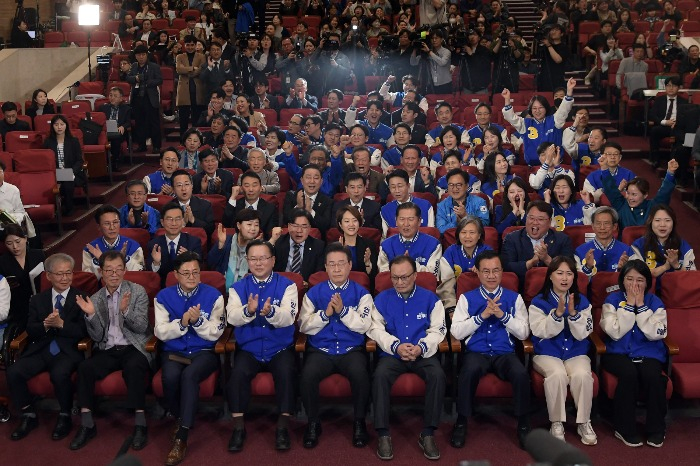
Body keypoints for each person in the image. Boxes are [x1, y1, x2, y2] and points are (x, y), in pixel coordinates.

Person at [70, 251, 153, 451]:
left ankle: (140, 424)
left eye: (118, 270)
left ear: (125, 271)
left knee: (134, 367)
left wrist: (125, 311)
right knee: (84, 368)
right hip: (108, 349)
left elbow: (142, 327)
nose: (114, 274)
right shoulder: (96, 298)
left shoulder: (137, 291)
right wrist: (90, 316)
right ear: (101, 272)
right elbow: (97, 337)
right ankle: (88, 424)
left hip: (133, 346)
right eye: (109, 270)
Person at [368, 255, 447, 460]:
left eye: (404, 277)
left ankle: (428, 433)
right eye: (395, 278)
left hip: (422, 352)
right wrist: (395, 346)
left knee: (437, 375)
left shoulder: (431, 299)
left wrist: (422, 347)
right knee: (379, 376)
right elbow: (375, 329)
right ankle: (383, 433)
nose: (399, 283)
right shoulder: (381, 299)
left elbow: (439, 330)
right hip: (393, 353)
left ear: (415, 276)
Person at [450, 250, 531, 449]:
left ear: (503, 272)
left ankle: (522, 425)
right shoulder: (466, 298)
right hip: (477, 352)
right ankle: (461, 421)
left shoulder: (515, 298)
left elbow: (523, 333)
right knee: (468, 372)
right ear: (477, 272)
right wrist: (482, 316)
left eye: (496, 271)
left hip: (505, 353)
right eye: (486, 271)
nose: (491, 276)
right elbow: (457, 332)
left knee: (521, 374)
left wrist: (503, 315)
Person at [226, 239, 299, 451]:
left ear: (273, 260)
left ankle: (282, 428)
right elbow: (231, 317)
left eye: (263, 258)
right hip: (249, 348)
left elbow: (289, 317)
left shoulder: (288, 285)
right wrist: (248, 311)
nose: (258, 263)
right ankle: (238, 428)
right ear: (247, 261)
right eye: (253, 259)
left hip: (279, 347)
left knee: (287, 372)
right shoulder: (238, 288)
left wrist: (271, 312)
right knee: (237, 374)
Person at [154, 251, 225, 465]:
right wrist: (183, 323)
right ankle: (179, 416)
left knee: (190, 376)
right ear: (176, 274)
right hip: (174, 352)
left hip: (204, 352)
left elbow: (217, 331)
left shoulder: (214, 295)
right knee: (170, 377)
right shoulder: (163, 297)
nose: (192, 277)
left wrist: (197, 323)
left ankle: (182, 436)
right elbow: (160, 331)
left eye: (196, 272)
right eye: (186, 273)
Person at [298, 243, 373, 448]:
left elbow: (364, 325)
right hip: (321, 350)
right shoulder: (313, 293)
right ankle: (313, 422)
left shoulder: (362, 293)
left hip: (351, 350)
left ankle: (359, 422)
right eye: (332, 265)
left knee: (360, 374)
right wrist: (325, 315)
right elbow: (304, 325)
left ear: (350, 266)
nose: (337, 269)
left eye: (341, 264)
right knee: (308, 376)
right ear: (326, 267)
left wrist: (343, 311)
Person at [7, 254, 88, 442]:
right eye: (59, 274)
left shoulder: (81, 297)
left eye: (68, 273)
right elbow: (30, 330)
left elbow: (85, 331)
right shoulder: (37, 300)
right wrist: (45, 325)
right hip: (40, 349)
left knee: (59, 374)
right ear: (49, 276)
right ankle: (28, 414)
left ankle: (65, 415)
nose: (65, 278)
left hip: (68, 350)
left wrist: (61, 324)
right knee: (14, 372)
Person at [528, 256, 597, 445]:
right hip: (546, 352)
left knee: (582, 374)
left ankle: (584, 421)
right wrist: (557, 315)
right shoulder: (538, 301)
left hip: (576, 352)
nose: (564, 278)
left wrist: (574, 314)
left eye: (569, 274)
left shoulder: (582, 301)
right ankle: (556, 422)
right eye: (559, 273)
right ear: (550, 276)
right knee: (557, 374)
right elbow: (538, 330)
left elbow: (585, 332)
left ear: (574, 278)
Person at [600, 259, 669, 448]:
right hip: (617, 353)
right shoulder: (612, 300)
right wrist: (630, 306)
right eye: (629, 279)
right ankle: (624, 428)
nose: (634, 285)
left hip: (649, 352)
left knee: (653, 376)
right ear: (622, 281)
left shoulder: (655, 302)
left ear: (647, 282)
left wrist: (643, 309)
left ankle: (656, 429)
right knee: (628, 374)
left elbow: (658, 333)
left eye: (640, 280)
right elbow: (614, 331)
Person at [501, 78, 576, 166]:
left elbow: (564, 110)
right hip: (534, 167)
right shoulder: (525, 123)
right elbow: (511, 117)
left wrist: (569, 91)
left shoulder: (555, 120)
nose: (537, 111)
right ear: (531, 110)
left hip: (554, 165)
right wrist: (507, 100)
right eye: (534, 108)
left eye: (541, 107)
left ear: (546, 108)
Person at [502, 200, 574, 288]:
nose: (535, 222)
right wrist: (530, 263)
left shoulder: (562, 240)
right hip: (521, 288)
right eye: (531, 218)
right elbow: (506, 267)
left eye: (540, 219)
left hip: (553, 288)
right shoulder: (512, 238)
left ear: (549, 221)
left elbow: (570, 269)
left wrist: (547, 259)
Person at [601, 157, 678, 229]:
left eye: (634, 194)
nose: (630, 197)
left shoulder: (653, 206)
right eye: (628, 193)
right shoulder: (621, 204)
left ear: (645, 195)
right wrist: (604, 168)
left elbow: (664, 193)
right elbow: (610, 188)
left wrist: (670, 173)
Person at [437, 216, 493, 310]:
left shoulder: (488, 252)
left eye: (472, 233)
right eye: (463, 232)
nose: (467, 236)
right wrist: (451, 308)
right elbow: (446, 284)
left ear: (479, 235)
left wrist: (483, 270)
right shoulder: (450, 252)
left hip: (485, 302)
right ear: (458, 234)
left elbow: (494, 279)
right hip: (456, 302)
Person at [631, 204, 696, 281]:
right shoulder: (638, 245)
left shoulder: (683, 246)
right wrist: (665, 267)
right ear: (650, 222)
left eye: (667, 220)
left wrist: (676, 265)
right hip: (646, 291)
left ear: (673, 223)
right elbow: (635, 275)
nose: (662, 225)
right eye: (657, 220)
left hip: (675, 290)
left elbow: (692, 277)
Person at [0, 224, 45, 336]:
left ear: (25, 238)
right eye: (9, 243)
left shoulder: (38, 255)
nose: (15, 247)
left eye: (18, 241)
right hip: (16, 305)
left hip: (39, 301)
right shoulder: (2, 262)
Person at [147, 202, 203, 286]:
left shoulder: (194, 242)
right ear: (162, 222)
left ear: (183, 221)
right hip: (163, 289)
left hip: (188, 286)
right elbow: (151, 275)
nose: (174, 223)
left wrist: (189, 259)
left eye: (178, 219)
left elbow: (199, 270)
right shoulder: (154, 244)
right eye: (169, 219)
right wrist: (156, 263)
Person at [377, 202, 442, 275]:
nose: (406, 224)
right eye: (402, 219)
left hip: (422, 285)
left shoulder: (433, 244)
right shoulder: (386, 245)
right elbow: (383, 276)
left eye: (411, 219)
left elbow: (433, 275)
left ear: (419, 221)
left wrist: (411, 264)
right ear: (396, 221)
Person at [83, 205, 145, 278]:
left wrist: (125, 259)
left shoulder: (133, 246)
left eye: (115, 222)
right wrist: (99, 261)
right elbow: (89, 280)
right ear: (99, 227)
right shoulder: (90, 249)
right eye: (107, 223)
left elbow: (139, 276)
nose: (112, 227)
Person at [43, 114, 85, 216]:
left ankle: (68, 208)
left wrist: (71, 172)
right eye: (56, 124)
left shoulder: (73, 141)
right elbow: (46, 162)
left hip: (71, 172)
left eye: (62, 124)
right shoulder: (48, 142)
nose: (59, 127)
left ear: (66, 126)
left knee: (67, 181)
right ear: (52, 126)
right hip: (55, 173)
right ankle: (61, 207)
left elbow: (79, 160)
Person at [576, 206, 635, 277]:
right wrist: (588, 267)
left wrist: (622, 270)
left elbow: (637, 278)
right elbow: (579, 282)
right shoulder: (580, 252)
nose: (602, 228)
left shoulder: (628, 252)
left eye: (606, 223)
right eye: (598, 223)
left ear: (614, 226)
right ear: (592, 226)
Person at [208, 209, 261, 287]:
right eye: (249, 224)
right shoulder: (226, 241)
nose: (253, 228)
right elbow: (210, 263)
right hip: (222, 289)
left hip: (247, 291)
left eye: (256, 225)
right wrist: (220, 245)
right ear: (238, 225)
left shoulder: (258, 247)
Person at [126, 44, 163, 153]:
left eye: (143, 55)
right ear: (136, 56)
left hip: (150, 97)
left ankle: (156, 146)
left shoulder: (154, 66)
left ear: (146, 55)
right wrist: (136, 78)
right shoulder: (133, 66)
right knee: (139, 122)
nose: (141, 57)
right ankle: (141, 145)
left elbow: (160, 80)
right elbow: (128, 78)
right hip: (137, 97)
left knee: (154, 122)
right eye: (139, 55)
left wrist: (148, 82)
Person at [273, 209, 326, 281]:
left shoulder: (318, 246)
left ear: (309, 228)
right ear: (289, 226)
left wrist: (307, 284)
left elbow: (318, 275)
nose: (299, 231)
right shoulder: (278, 243)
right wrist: (272, 240)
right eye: (295, 226)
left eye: (304, 226)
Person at [222, 170, 278, 237]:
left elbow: (271, 234)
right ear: (241, 188)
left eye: (254, 185)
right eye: (247, 185)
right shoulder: (234, 205)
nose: (251, 189)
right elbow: (227, 224)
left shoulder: (270, 208)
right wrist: (233, 197)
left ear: (260, 188)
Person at [282, 165, 334, 235]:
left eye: (316, 178)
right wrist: (298, 208)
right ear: (302, 180)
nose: (312, 181)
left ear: (321, 181)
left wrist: (310, 210)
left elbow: (325, 226)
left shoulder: (327, 201)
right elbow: (285, 221)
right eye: (308, 177)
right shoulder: (291, 196)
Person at [380, 169, 435, 235]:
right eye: (393, 187)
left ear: (408, 186)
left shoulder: (426, 206)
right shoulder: (385, 210)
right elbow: (387, 236)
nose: (397, 190)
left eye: (400, 186)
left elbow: (431, 233)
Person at [436, 169, 490, 234]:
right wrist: (456, 223)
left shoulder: (479, 202)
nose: (455, 188)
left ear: (467, 186)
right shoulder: (441, 206)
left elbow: (485, 223)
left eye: (458, 185)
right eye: (451, 185)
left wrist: (466, 217)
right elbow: (440, 230)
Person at [649, 77, 687, 168]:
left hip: (677, 127)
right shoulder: (659, 100)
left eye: (674, 86)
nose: (670, 88)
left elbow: (687, 117)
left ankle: (676, 162)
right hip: (664, 126)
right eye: (668, 86)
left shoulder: (684, 102)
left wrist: (677, 123)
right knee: (655, 130)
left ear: (679, 88)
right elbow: (652, 115)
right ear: (665, 87)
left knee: (681, 136)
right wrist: (664, 122)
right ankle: (655, 159)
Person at [175, 35, 207, 134]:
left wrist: (186, 70)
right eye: (188, 45)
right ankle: (182, 141)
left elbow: (201, 70)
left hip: (197, 90)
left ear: (195, 45)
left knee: (196, 119)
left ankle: (197, 140)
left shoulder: (202, 56)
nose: (190, 47)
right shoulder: (179, 56)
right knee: (183, 120)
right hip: (184, 91)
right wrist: (193, 68)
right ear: (184, 45)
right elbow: (178, 70)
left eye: (192, 45)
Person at [334, 205, 377, 277]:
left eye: (354, 220)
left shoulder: (369, 244)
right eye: (347, 221)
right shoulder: (334, 247)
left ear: (359, 223)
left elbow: (373, 276)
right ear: (340, 224)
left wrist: (368, 264)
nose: (351, 224)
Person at [172, 169, 215, 237]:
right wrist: (182, 224)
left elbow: (211, 230)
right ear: (173, 189)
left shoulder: (205, 205)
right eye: (179, 185)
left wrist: (193, 220)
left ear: (192, 186)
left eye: (186, 184)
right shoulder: (169, 207)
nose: (183, 188)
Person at [98, 86, 132, 171]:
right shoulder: (103, 108)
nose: (112, 97)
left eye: (115, 96)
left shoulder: (126, 109)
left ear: (121, 98)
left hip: (118, 131)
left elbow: (128, 122)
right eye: (110, 95)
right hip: (105, 131)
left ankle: (114, 162)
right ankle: (102, 163)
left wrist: (123, 126)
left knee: (116, 138)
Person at [410, 28, 452, 94]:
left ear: (441, 39)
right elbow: (413, 63)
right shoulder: (427, 52)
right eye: (432, 38)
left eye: (436, 38)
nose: (434, 40)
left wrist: (429, 52)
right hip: (431, 84)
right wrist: (415, 49)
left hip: (445, 84)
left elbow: (442, 63)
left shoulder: (446, 51)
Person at [538, 24, 570, 92]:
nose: (553, 32)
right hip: (544, 77)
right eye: (552, 30)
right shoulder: (545, 46)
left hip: (557, 78)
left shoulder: (564, 47)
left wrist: (549, 45)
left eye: (556, 30)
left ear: (561, 34)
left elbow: (558, 60)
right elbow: (534, 53)